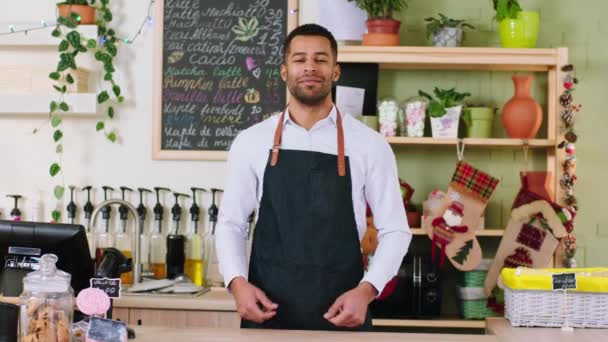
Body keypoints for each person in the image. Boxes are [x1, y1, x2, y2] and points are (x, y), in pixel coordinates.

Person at [215, 23, 411, 331]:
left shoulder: (370, 145)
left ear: (335, 71)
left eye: (321, 59)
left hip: (345, 315)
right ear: (284, 71)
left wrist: (367, 290)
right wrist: (238, 284)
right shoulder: (251, 142)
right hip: (267, 313)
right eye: (300, 59)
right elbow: (231, 224)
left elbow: (396, 231)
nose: (310, 67)